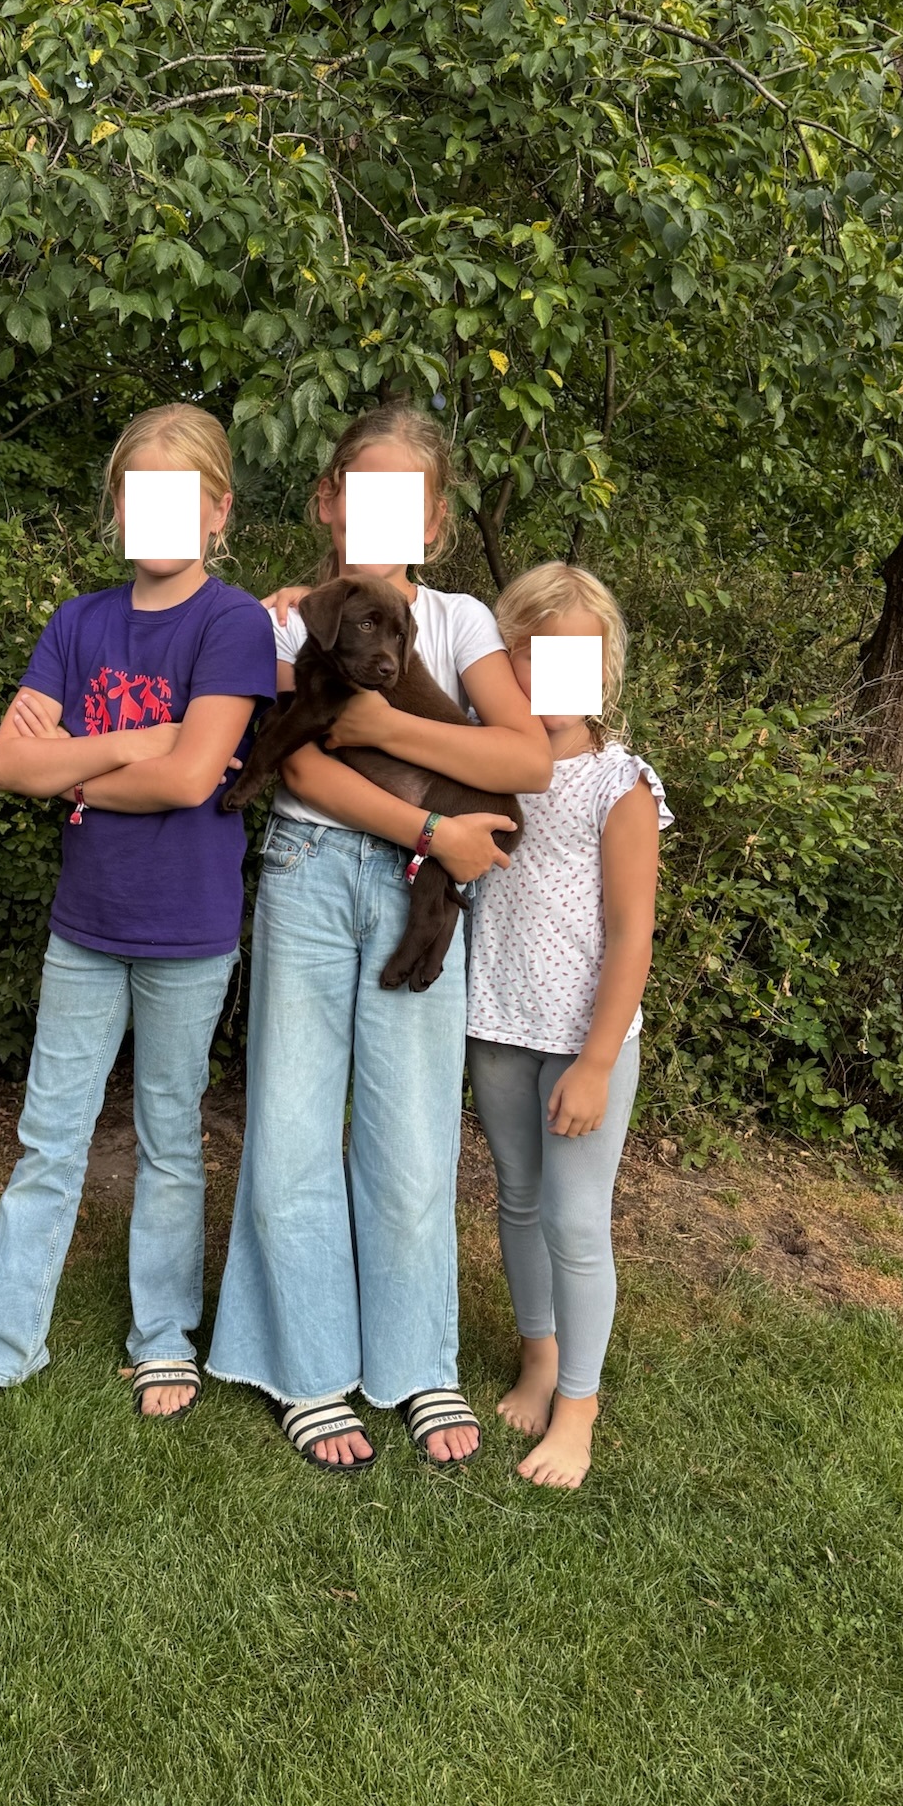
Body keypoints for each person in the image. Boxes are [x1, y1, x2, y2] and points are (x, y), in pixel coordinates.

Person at [0, 404, 277, 1422]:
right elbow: (9, 764)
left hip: (189, 931)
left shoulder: (231, 623)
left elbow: (192, 778)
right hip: (85, 928)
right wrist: (137, 740)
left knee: (169, 1138)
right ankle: (2, 1339)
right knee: (49, 1138)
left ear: (218, 510)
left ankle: (164, 1337)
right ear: (117, 507)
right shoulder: (78, 622)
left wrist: (77, 768)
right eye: (139, 495)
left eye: (181, 496)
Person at [206, 404, 552, 1470]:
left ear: (436, 523)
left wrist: (389, 725)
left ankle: (416, 1362)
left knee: (412, 1134)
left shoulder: (457, 621)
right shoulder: (290, 625)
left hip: (419, 895)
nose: (385, 516)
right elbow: (300, 761)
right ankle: (309, 1367)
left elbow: (526, 759)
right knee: (292, 1124)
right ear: (328, 501)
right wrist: (431, 830)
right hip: (314, 872)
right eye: (365, 494)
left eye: (410, 501)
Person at [465, 562, 673, 1489]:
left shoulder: (618, 783)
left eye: (576, 659)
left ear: (604, 669)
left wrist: (594, 1062)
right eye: (535, 654)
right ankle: (540, 1357)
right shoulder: (486, 761)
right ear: (505, 659)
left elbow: (632, 933)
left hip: (586, 1042)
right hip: (497, 1020)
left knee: (575, 1218)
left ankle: (579, 1407)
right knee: (517, 1197)